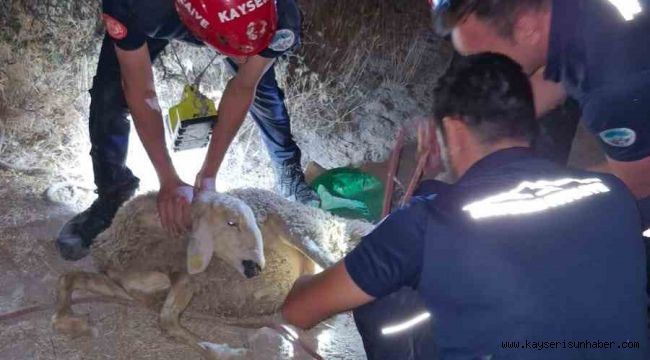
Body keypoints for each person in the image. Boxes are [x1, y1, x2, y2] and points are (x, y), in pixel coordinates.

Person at [280, 53, 648, 359]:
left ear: (452, 130)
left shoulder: (427, 221)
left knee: (389, 295)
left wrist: (303, 277)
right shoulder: (611, 192)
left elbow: (300, 309)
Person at [55, 0, 319, 260]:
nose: (242, 58)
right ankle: (112, 192)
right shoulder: (132, 6)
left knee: (263, 88)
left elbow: (243, 87)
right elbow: (140, 90)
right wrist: (167, 178)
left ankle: (288, 171)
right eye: (237, 51)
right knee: (109, 92)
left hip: (236, 24)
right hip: (170, 13)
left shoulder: (280, 17)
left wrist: (208, 175)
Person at [428, 0, 650, 231]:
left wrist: (530, 190)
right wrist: (469, 126)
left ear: (527, 28)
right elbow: (558, 77)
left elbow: (637, 183)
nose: (483, 70)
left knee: (590, 225)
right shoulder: (565, 19)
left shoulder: (610, 95)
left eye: (485, 58)